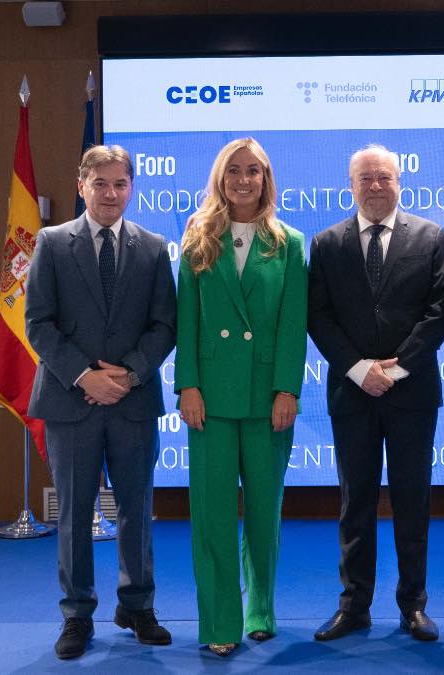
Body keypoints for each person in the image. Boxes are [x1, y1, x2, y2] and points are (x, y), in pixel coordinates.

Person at [26, 145, 177, 659]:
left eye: (120, 184)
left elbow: (165, 325)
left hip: (133, 402)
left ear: (131, 188)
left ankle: (137, 605)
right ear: (81, 186)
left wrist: (131, 373)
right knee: (74, 513)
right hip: (71, 402)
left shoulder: (154, 247)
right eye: (101, 184)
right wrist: (84, 376)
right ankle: (77, 614)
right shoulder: (51, 242)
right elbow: (37, 325)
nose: (111, 194)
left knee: (137, 509)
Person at [307, 145, 444, 643]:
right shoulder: (326, 244)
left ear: (400, 181)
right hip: (352, 394)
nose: (375, 186)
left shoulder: (432, 237)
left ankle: (413, 606)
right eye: (365, 178)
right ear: (351, 185)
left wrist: (398, 368)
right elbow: (318, 315)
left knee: (413, 502)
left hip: (411, 394)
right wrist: (357, 368)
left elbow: (440, 310)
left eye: (384, 177)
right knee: (356, 504)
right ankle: (355, 607)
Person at [175, 138, 308, 656]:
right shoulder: (197, 236)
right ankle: (220, 624)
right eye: (235, 170)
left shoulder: (290, 242)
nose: (244, 179)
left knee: (262, 514)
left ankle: (261, 611)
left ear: (267, 179)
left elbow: (294, 325)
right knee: (210, 516)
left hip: (265, 400)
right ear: (220, 178)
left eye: (254, 170)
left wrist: (286, 391)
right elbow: (187, 319)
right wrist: (187, 384)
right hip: (207, 399)